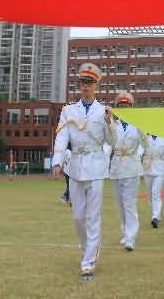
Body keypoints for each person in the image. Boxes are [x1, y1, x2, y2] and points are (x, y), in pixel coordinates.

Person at [52, 62, 113, 279]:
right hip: (75, 167)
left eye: (89, 83)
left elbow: (111, 141)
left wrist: (109, 124)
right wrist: (57, 161)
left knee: (92, 216)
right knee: (78, 216)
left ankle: (88, 262)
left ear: (96, 85)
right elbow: (62, 137)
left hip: (96, 167)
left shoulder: (104, 111)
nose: (85, 86)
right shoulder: (68, 110)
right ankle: (88, 248)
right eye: (82, 82)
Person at [108, 92, 149, 251]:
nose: (124, 109)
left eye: (127, 107)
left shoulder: (137, 125)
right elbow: (109, 143)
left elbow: (146, 146)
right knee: (120, 204)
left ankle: (131, 237)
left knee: (129, 203)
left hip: (132, 166)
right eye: (121, 107)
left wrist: (141, 129)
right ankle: (125, 232)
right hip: (117, 166)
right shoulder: (113, 124)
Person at [143, 134, 164, 229]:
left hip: (159, 169)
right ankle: (156, 214)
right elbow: (140, 151)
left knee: (156, 193)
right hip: (148, 168)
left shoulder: (163, 139)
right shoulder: (146, 137)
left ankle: (155, 217)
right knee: (150, 195)